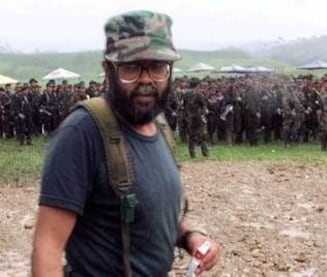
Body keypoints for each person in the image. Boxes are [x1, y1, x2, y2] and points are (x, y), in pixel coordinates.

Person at [31, 10, 221, 277]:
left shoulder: (161, 129)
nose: (146, 80)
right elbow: (48, 246)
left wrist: (191, 237)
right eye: (130, 67)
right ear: (107, 69)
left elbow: (153, 217)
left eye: (157, 67)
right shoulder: (82, 133)